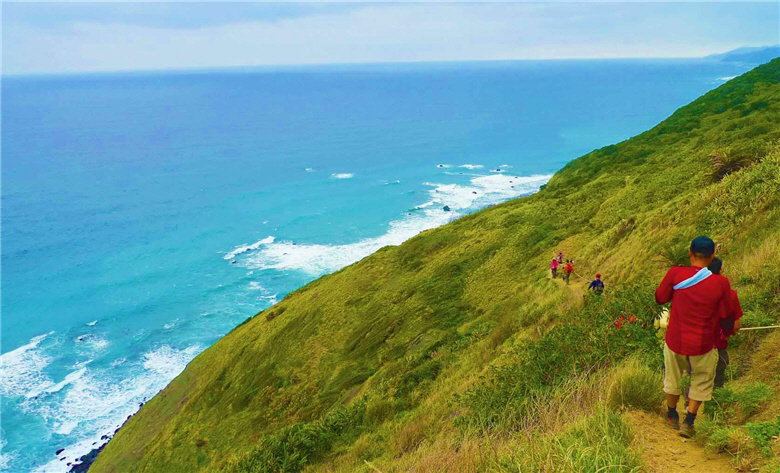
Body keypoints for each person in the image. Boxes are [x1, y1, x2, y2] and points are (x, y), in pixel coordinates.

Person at [655, 236, 732, 438]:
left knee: (672, 377)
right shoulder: (721, 283)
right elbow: (726, 316)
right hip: (703, 343)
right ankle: (689, 422)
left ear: (690, 253)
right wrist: (727, 333)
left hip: (676, 339)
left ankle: (672, 415)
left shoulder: (676, 273)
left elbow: (660, 298)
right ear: (712, 256)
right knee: (701, 380)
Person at [708, 258, 743, 389]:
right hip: (719, 345)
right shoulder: (731, 295)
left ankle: (689, 403)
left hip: (696, 344)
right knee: (720, 369)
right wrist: (731, 332)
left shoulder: (695, 292)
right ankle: (716, 398)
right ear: (721, 270)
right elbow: (737, 325)